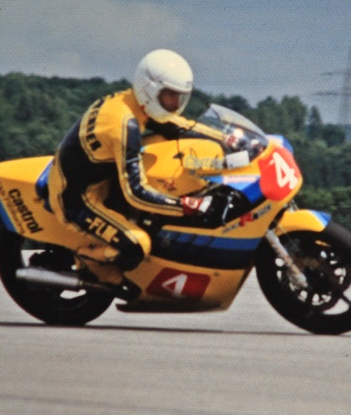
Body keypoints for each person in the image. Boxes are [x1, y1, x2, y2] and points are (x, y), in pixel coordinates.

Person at [48, 49, 223, 287]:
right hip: (77, 198)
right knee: (137, 244)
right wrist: (185, 207)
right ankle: (90, 259)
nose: (175, 105)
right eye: (170, 96)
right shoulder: (125, 125)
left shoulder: (133, 102)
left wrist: (228, 139)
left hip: (102, 181)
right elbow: (135, 192)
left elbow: (180, 126)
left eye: (180, 98)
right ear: (150, 90)